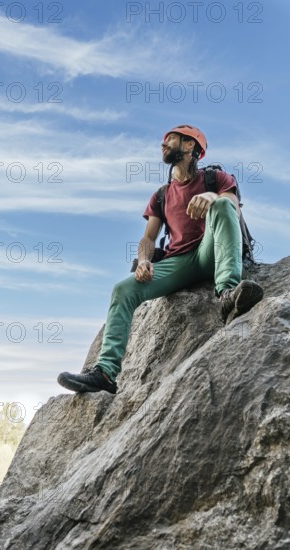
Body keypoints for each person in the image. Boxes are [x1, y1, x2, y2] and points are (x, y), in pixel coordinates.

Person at [57, 124, 264, 395]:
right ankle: (105, 373)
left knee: (223, 205)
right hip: (180, 262)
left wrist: (211, 197)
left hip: (212, 251)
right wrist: (144, 260)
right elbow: (148, 239)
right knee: (122, 289)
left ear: (190, 146)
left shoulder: (217, 179)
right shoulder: (161, 195)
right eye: (164, 141)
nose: (163, 145)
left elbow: (232, 208)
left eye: (172, 140)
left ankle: (227, 294)